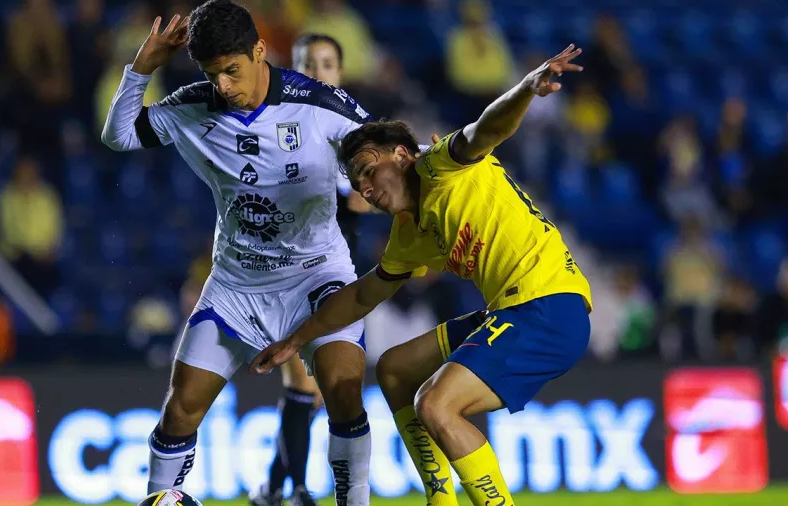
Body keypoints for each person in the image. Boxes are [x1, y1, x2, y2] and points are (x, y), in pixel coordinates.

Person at [251, 45, 591, 506]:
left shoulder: (441, 165)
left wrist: (527, 88)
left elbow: (487, 127)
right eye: (357, 183)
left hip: (548, 304)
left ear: (403, 155)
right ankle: (440, 497)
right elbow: (361, 296)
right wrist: (295, 340)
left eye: (370, 170)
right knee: (395, 369)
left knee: (436, 404)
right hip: (513, 309)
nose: (365, 189)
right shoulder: (408, 234)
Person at [101, 2, 374, 504]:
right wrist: (141, 69)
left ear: (259, 51)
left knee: (342, 390)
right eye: (213, 74)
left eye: (232, 70)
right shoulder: (194, 106)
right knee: (180, 410)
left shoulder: (317, 103)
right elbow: (118, 135)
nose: (224, 86)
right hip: (236, 287)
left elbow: (382, 154)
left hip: (316, 278)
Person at [250, 33, 369, 506]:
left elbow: (365, 194)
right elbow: (354, 195)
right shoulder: (284, 132)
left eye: (327, 64)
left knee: (316, 395)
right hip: (290, 274)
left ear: (340, 74)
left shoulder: (350, 133)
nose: (319, 73)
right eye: (308, 64)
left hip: (339, 275)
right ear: (291, 72)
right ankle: (297, 492)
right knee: (303, 386)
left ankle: (273, 489)